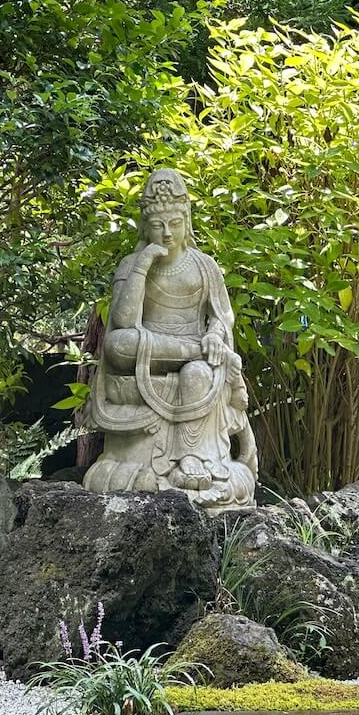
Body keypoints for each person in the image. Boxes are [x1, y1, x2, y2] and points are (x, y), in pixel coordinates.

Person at [83, 169, 257, 510]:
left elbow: (223, 315)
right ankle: (196, 354)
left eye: (175, 223)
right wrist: (144, 263)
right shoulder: (132, 264)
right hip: (147, 349)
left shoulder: (204, 266)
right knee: (119, 344)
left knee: (198, 373)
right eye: (157, 225)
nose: (166, 232)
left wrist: (214, 334)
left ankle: (194, 459)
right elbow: (123, 321)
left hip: (195, 353)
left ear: (186, 222)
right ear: (144, 227)